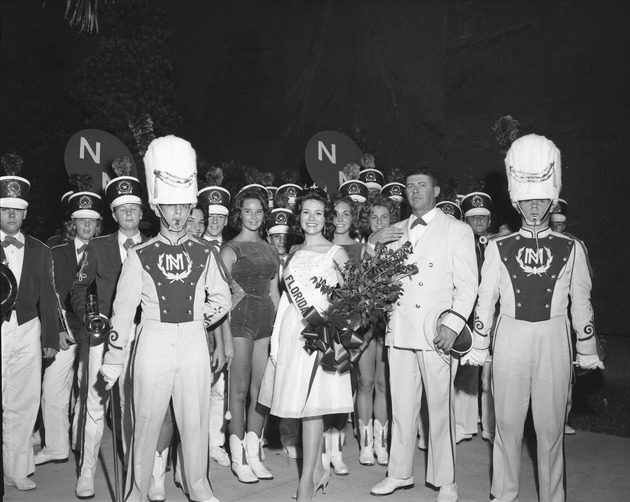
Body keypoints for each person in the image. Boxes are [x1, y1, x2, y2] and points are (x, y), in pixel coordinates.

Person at [464, 134, 604, 502]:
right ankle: (504, 494)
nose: (535, 207)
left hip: (554, 339)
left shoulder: (571, 247)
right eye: (527, 200)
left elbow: (582, 303)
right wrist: (479, 343)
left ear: (552, 197)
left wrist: (586, 348)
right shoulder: (499, 246)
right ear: (516, 199)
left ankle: (552, 497)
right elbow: (485, 300)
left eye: (542, 199)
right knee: (506, 426)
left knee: (551, 429)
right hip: (509, 337)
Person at [100, 135, 231, 502]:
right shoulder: (139, 255)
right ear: (156, 208)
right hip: (153, 340)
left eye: (184, 207)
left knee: (195, 421)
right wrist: (113, 359)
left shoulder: (205, 252)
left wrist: (197, 321)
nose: (178, 214)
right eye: (170, 206)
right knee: (144, 424)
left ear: (191, 208)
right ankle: (137, 492)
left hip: (191, 340)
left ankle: (199, 487)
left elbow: (222, 298)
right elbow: (122, 311)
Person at [369, 168, 478, 502]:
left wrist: (454, 324)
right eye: (410, 187)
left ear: (436, 191)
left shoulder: (456, 230)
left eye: (422, 186)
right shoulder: (394, 230)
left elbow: (468, 283)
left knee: (440, 410)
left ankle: (446, 481)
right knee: (401, 408)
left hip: (436, 332)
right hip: (400, 330)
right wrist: (372, 244)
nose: (415, 191)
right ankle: (399, 473)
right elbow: (376, 278)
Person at [260, 187, 352, 501]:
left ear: (326, 218)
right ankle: (316, 473)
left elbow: (350, 299)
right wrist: (276, 340)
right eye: (305, 212)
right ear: (299, 217)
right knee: (296, 410)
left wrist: (333, 327)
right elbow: (287, 300)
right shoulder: (294, 252)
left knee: (313, 409)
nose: (311, 218)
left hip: (317, 335)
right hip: (291, 333)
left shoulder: (336, 253)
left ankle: (306, 483)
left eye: (317, 212)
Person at [69, 168, 146, 499]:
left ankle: (136, 467)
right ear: (113, 214)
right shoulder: (97, 247)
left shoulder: (155, 246)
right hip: (103, 336)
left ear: (141, 213)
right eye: (122, 210)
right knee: (95, 405)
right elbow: (78, 287)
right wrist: (89, 318)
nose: (128, 215)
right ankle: (87, 471)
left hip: (143, 336)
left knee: (136, 405)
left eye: (134, 209)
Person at [1, 156, 59, 491]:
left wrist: (50, 336)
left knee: (24, 401)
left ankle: (17, 468)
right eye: (4, 209)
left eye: (16, 210)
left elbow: (49, 297)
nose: (10, 215)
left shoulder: (39, 249)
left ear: (25, 213)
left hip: (28, 328)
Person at [35, 185, 103, 467]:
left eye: (92, 220)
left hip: (95, 327)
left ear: (98, 225)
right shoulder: (55, 250)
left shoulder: (106, 250)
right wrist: (58, 329)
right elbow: (49, 292)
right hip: (64, 325)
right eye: (81, 220)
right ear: (72, 224)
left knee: (87, 387)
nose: (86, 225)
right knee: (53, 389)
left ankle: (81, 442)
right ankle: (56, 446)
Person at [220, 186, 280, 483]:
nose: (254, 216)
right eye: (248, 211)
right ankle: (238, 457)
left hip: (265, 323)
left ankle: (255, 454)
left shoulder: (270, 248)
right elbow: (218, 295)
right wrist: (225, 338)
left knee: (261, 392)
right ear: (238, 215)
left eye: (258, 211)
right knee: (239, 391)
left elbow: (274, 290)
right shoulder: (230, 249)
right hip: (240, 323)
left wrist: (280, 328)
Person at [355, 194, 397, 466]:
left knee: (384, 384)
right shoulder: (362, 248)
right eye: (374, 217)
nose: (379, 222)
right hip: (369, 323)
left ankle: (382, 444)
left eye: (385, 217)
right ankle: (365, 444)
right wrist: (372, 246)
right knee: (366, 382)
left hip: (392, 323)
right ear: (367, 222)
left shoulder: (403, 246)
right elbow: (360, 283)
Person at [454, 190, 496, 444]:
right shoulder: (460, 244)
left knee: (492, 373)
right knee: (467, 372)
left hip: (494, 316)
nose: (478, 222)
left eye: (483, 217)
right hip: (468, 316)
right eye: (473, 218)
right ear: (465, 221)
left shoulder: (500, 244)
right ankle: (464, 425)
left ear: (490, 220)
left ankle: (490, 426)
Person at [198, 184, 234, 467]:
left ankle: (215, 444)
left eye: (220, 217)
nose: (214, 221)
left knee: (219, 389)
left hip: (225, 326)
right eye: (210, 216)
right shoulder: (192, 244)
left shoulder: (233, 248)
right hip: (194, 326)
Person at [266, 207, 302, 459]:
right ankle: (261, 435)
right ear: (268, 237)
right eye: (275, 236)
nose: (281, 241)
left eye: (285, 236)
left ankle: (289, 435)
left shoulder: (297, 258)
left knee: (290, 380)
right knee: (264, 385)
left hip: (288, 326)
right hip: (263, 325)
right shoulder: (263, 259)